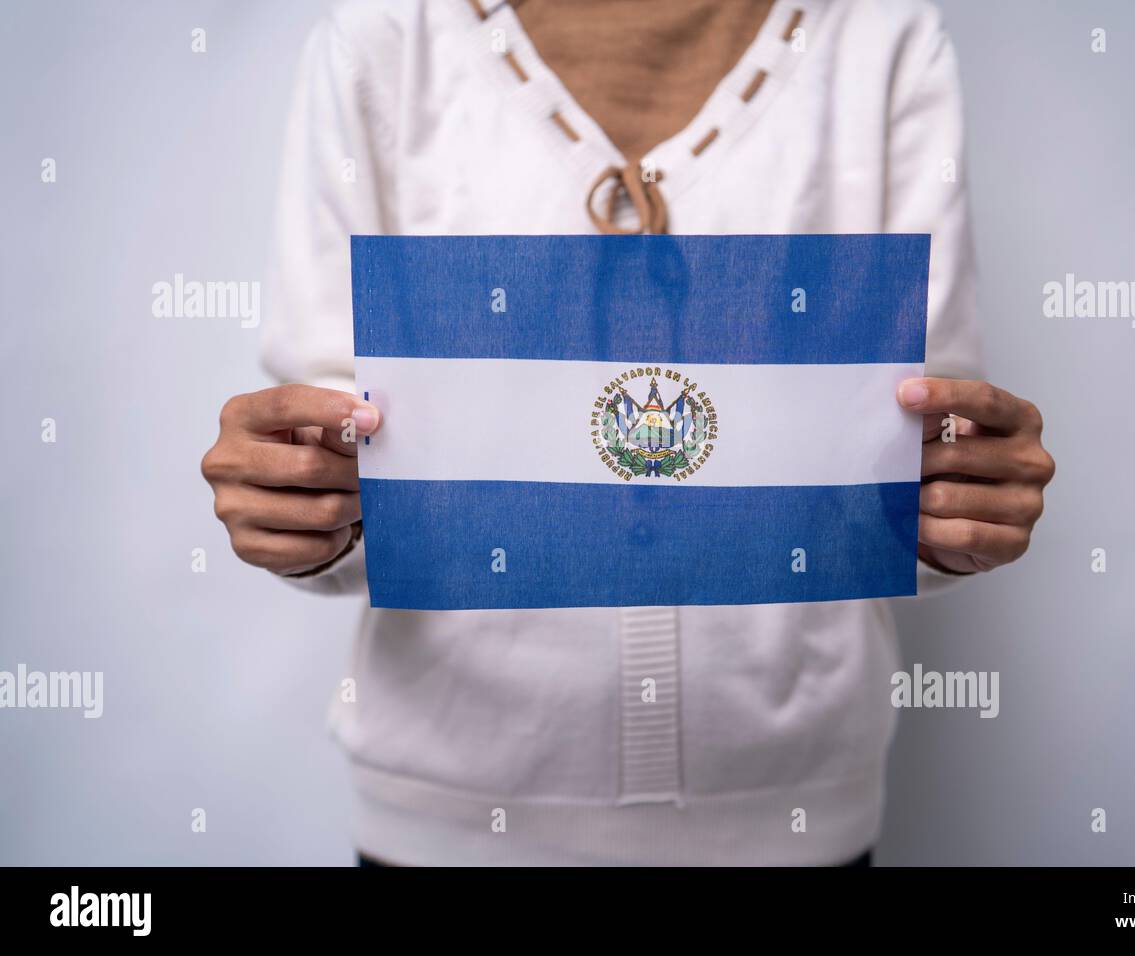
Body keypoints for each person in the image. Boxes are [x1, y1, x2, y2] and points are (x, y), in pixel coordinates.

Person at [200, 0, 1054, 866]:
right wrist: (307, 510)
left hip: (797, 819)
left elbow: (917, 446)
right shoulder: (383, 37)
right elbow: (333, 441)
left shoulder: (882, 37)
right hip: (445, 824)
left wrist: (954, 512)